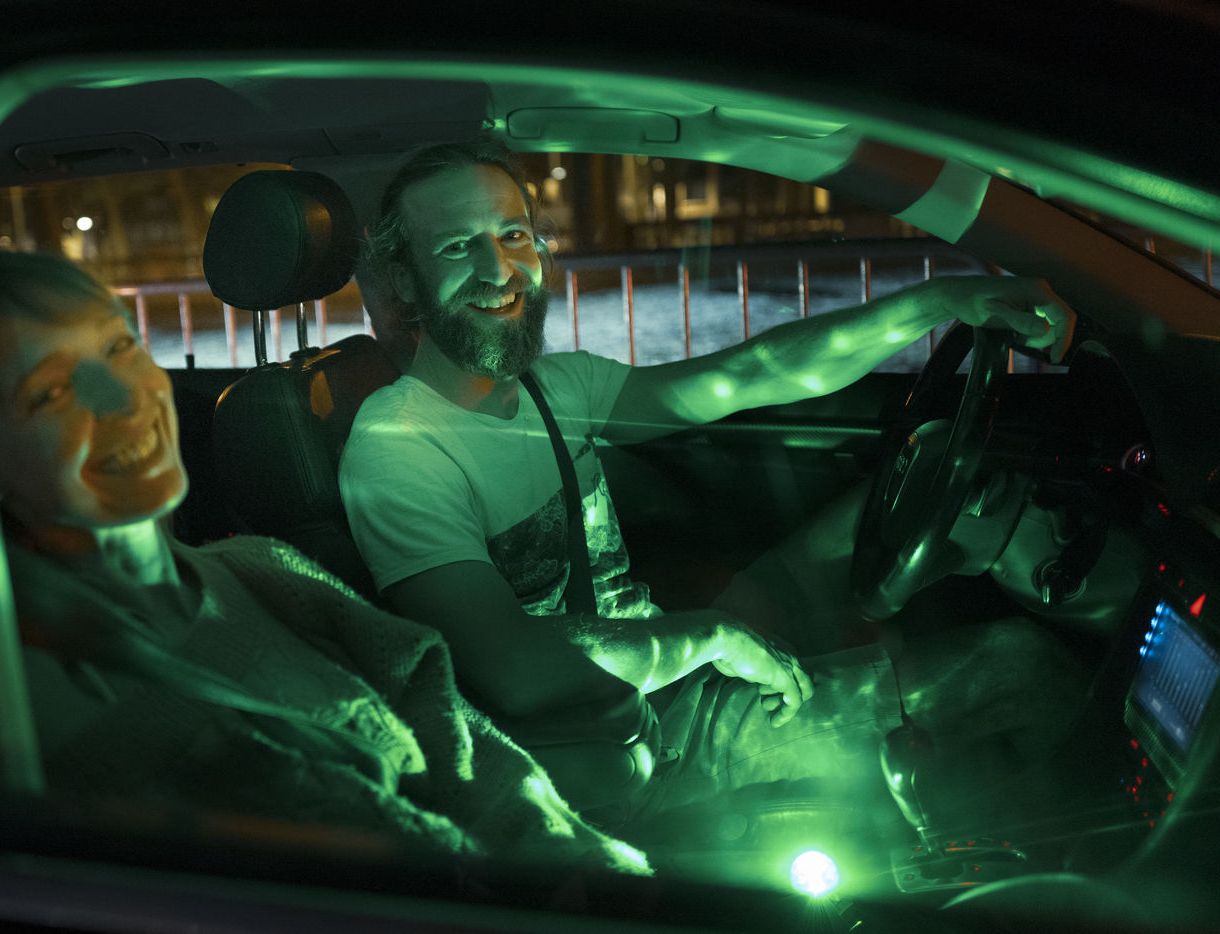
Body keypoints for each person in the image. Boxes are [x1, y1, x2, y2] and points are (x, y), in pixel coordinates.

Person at [338, 140, 1084, 826]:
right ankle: (1056, 877)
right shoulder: (399, 446)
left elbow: (751, 375)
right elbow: (510, 666)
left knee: (895, 509)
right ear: (404, 278)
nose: (500, 270)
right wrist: (711, 636)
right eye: (458, 246)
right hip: (620, 755)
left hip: (671, 684)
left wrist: (939, 302)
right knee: (1021, 666)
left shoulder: (554, 388)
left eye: (513, 235)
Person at [0, 248, 651, 876]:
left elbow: (466, 752)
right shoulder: (30, 702)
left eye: (120, 346)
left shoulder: (262, 569)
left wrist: (598, 875)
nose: (122, 398)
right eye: (50, 393)